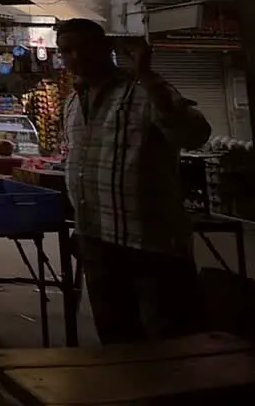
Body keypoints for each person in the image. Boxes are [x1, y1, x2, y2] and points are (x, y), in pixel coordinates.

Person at [57, 18, 209, 344]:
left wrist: (149, 77)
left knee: (169, 345)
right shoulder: (72, 101)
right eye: (65, 50)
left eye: (81, 48)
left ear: (105, 49)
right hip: (96, 239)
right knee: (117, 340)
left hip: (150, 244)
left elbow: (195, 134)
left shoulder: (145, 91)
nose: (73, 57)